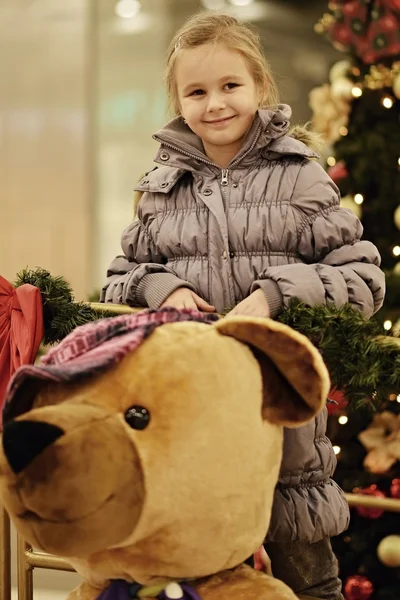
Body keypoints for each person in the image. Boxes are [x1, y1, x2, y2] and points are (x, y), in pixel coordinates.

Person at [101, 12, 385, 600]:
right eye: (197, 91)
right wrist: (160, 288)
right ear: (178, 101)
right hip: (188, 429)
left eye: (230, 85)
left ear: (260, 86)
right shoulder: (161, 188)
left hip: (282, 429)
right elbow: (117, 281)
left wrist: (276, 294)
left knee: (307, 578)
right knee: (200, 584)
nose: (215, 104)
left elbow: (362, 278)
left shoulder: (300, 178)